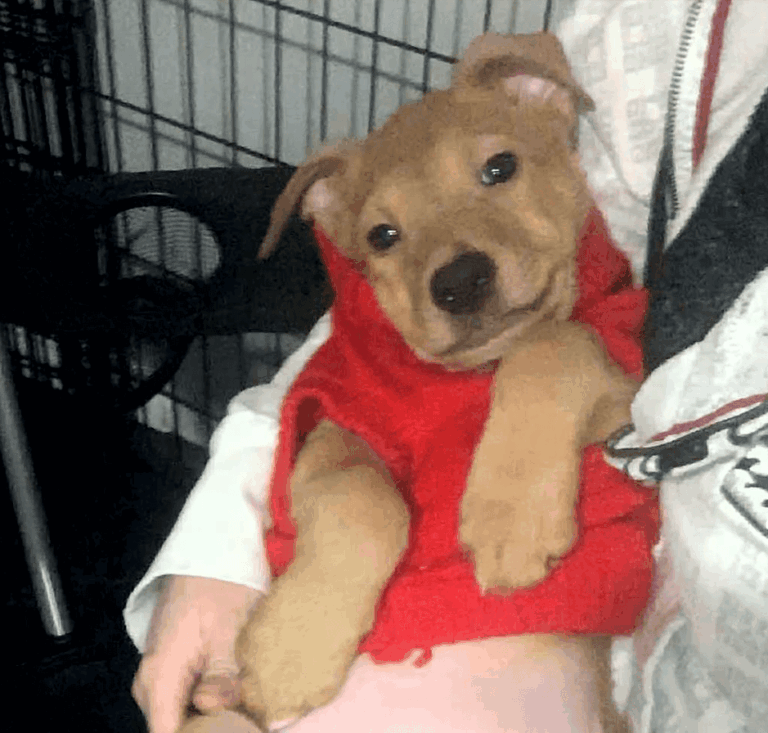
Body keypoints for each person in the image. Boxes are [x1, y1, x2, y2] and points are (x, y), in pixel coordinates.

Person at [126, 1, 768, 731]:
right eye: (387, 234)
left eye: (496, 170)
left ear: (549, 104)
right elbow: (322, 425)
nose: (453, 261)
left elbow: (634, 398)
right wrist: (249, 548)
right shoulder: (372, 355)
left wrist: (547, 384)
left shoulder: (607, 325)